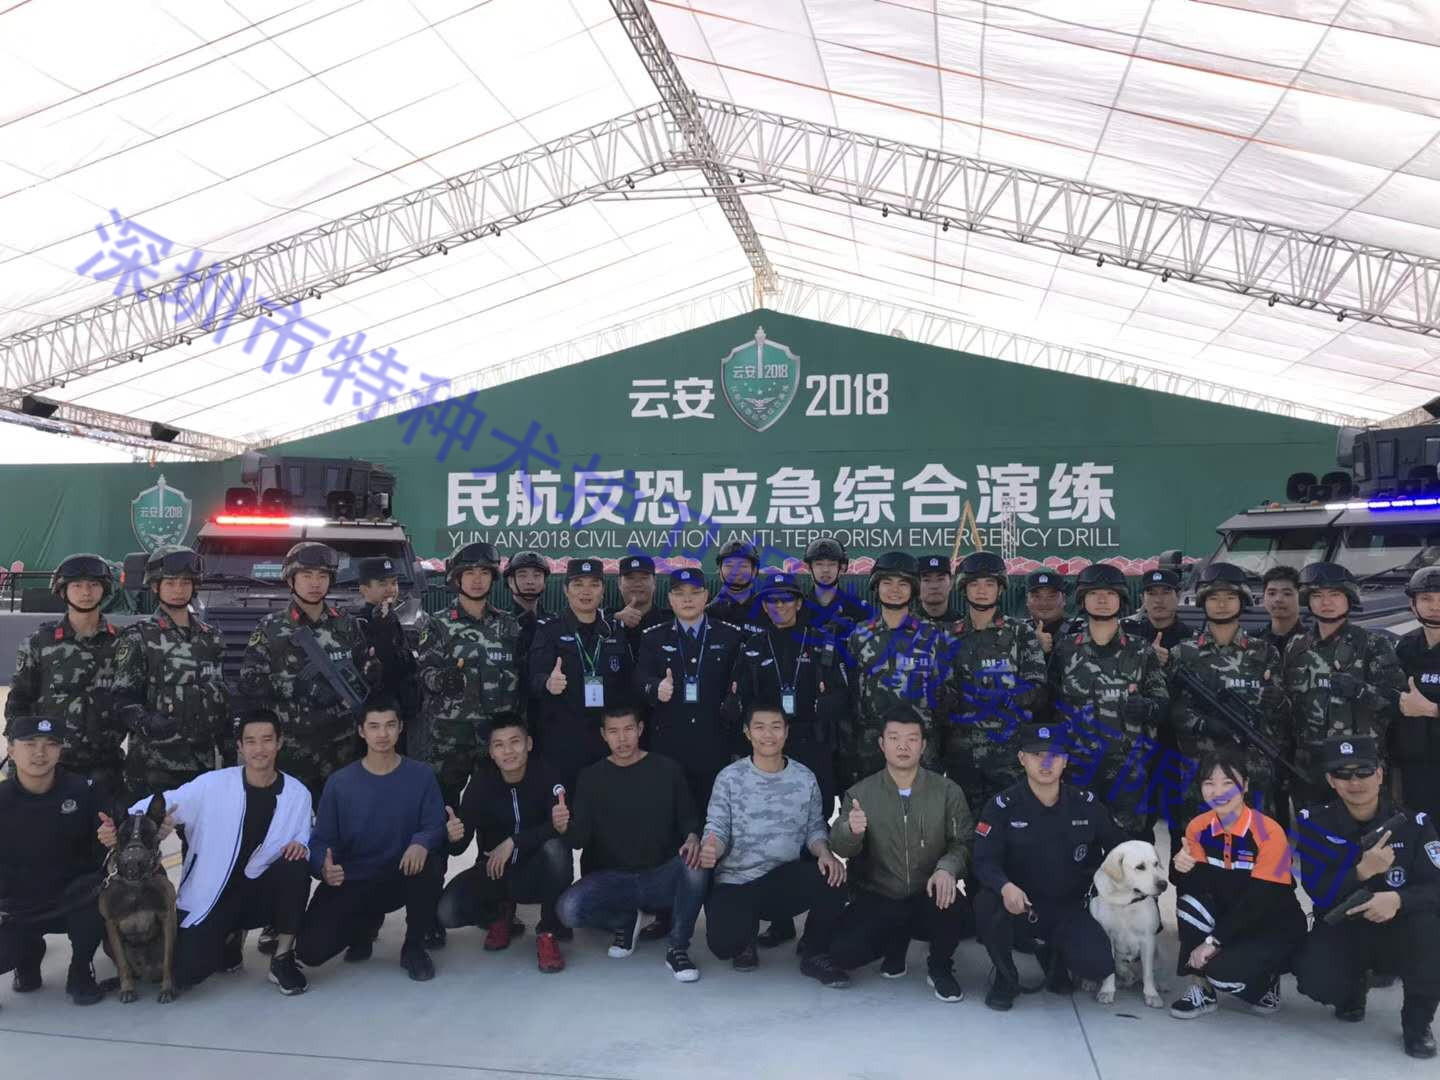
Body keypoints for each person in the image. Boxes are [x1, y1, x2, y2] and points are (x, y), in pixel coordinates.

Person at [102, 709, 312, 995]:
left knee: (296, 865)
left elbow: (303, 838)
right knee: (184, 974)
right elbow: (165, 803)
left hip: (260, 893)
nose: (259, 749)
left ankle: (283, 957)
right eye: (251, 741)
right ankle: (229, 939)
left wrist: (301, 846)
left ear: (279, 742)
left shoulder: (297, 794)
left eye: (267, 740)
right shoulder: (213, 785)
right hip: (213, 896)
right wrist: (121, 825)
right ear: (240, 747)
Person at [1292, 735, 1440, 1059]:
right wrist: (1361, 872)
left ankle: (1417, 1025)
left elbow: (1435, 887)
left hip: (1400, 926)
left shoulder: (1413, 824)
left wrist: (1399, 901)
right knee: (1315, 979)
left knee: (1431, 932)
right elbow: (1316, 890)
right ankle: (1352, 991)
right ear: (1331, 780)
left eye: (1363, 772)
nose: (1355, 782)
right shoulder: (1315, 824)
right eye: (1343, 774)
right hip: (1346, 924)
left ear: (1380, 774)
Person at [730, 569, 850, 949]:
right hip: (770, 749)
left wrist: (830, 702)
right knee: (773, 831)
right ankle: (780, 921)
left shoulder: (822, 642)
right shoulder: (753, 646)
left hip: (814, 748)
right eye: (771, 600)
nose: (778, 606)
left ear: (799, 602)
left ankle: (816, 926)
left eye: (785, 599)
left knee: (815, 831)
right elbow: (739, 699)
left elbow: (845, 694)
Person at [972, 721, 1125, 1011]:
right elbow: (983, 859)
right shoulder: (1003, 806)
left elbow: (1120, 848)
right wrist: (1005, 887)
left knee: (1097, 965)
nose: (1046, 763)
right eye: (1037, 755)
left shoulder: (1085, 805)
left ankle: (1053, 960)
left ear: (1065, 761)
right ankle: (1006, 977)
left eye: (1054, 756)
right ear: (1022, 759)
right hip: (1019, 905)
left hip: (1068, 907)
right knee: (986, 903)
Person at [298, 693, 446, 982]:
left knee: (430, 862)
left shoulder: (421, 776)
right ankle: (363, 926)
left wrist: (421, 842)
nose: (382, 734)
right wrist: (324, 867)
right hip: (354, 878)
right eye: (374, 726)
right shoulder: (340, 783)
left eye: (390, 725)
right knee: (310, 951)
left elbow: (434, 824)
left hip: (401, 874)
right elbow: (321, 840)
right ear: (361, 731)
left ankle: (414, 948)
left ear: (400, 728)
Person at [555, 707, 708, 983]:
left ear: (640, 729)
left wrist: (692, 837)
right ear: (603, 735)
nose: (622, 739)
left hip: (660, 876)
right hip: (612, 879)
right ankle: (625, 920)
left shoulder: (667, 769)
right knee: (568, 909)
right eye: (613, 732)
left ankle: (677, 948)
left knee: (697, 863)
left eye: (628, 729)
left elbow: (689, 819)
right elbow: (579, 840)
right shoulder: (590, 777)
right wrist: (564, 827)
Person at [827, 709, 973, 1001]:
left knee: (955, 906)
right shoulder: (861, 793)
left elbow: (963, 842)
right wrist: (850, 831)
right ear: (882, 744)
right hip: (880, 895)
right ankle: (896, 945)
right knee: (843, 954)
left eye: (912, 739)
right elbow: (841, 849)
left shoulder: (947, 791)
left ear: (923, 745)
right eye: (894, 738)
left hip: (927, 892)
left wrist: (947, 868)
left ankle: (939, 966)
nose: (903, 746)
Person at [700, 705, 849, 986]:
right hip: (737, 881)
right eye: (759, 727)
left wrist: (825, 853)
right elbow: (716, 829)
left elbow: (815, 828)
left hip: (782, 880)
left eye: (776, 727)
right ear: (747, 733)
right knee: (724, 945)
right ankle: (745, 938)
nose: (768, 734)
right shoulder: (729, 777)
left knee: (834, 876)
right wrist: (711, 849)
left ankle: (815, 952)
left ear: (786, 731)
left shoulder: (804, 778)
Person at [1167, 749, 1305, 1019]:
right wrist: (1182, 867)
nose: (1218, 791)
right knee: (1189, 903)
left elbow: (1261, 899)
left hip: (1270, 923)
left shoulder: (1269, 832)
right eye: (1209, 783)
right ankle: (1200, 988)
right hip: (1229, 915)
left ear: (1246, 785)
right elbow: (1196, 888)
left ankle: (1267, 981)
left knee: (1224, 975)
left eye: (1228, 782)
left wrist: (1214, 941)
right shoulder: (1198, 827)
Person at [239, 542, 379, 806]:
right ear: (291, 580)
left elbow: (364, 677)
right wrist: (298, 687)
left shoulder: (346, 625)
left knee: (341, 817)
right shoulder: (271, 628)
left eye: (322, 576)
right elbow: (250, 682)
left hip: (341, 745)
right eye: (306, 576)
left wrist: (372, 673)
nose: (315, 583)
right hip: (292, 747)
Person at [437, 714, 571, 974]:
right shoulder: (482, 782)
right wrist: (453, 836)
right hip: (495, 872)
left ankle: (548, 932)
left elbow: (559, 828)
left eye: (515, 742)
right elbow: (460, 845)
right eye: (499, 745)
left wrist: (514, 842)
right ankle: (500, 913)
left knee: (556, 849)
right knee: (447, 912)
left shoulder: (547, 774)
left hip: (535, 874)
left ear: (528, 744)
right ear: (491, 752)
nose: (508, 751)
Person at [1166, 562, 1290, 838]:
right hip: (1201, 771)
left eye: (1230, 597)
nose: (1222, 604)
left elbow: (1281, 715)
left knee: (1257, 844)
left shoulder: (1264, 652)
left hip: (1252, 769)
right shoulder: (1182, 653)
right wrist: (1202, 724)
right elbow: (1171, 709)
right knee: (1201, 845)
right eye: (1214, 598)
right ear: (1203, 602)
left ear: (1242, 601)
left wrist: (1277, 701)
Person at [1049, 562, 1168, 838]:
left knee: (1130, 847)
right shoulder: (1065, 649)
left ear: (1121, 599)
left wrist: (1146, 707)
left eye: (1110, 594)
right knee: (1077, 844)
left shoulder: (1141, 651)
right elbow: (1049, 703)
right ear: (1082, 600)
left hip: (1128, 771)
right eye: (1094, 593)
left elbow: (1162, 703)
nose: (1102, 600)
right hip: (1078, 768)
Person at [0, 715, 107, 1008]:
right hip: (17, 906)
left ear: (60, 751)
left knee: (100, 899)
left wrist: (111, 839)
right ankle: (27, 955)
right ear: (11, 751)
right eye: (30, 744)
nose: (40, 752)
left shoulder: (84, 790)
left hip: (72, 901)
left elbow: (106, 848)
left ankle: (81, 969)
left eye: (50, 744)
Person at [112, 545, 230, 799]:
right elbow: (122, 699)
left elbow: (220, 696)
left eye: (185, 582)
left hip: (202, 766)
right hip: (152, 767)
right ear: (155, 586)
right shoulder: (139, 637)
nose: (179, 590)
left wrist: (229, 749)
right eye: (171, 583)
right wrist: (145, 722)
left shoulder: (211, 638)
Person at [1282, 562, 1404, 808]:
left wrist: (1360, 690)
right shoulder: (1296, 646)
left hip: (1359, 767)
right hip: (1308, 767)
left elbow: (1396, 702)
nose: (1326, 602)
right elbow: (1289, 706)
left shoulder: (1373, 644)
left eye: (1335, 594)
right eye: (1317, 595)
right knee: (1313, 830)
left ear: (1349, 598)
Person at [4, 553, 124, 802]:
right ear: (63, 590)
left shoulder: (123, 642)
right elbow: (19, 702)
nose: (86, 592)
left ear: (104, 589)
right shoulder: (40, 642)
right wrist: (19, 757)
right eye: (77, 585)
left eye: (93, 584)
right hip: (51, 767)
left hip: (106, 767)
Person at [940, 551, 1048, 818]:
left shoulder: (1020, 632)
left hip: (1008, 755)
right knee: (964, 828)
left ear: (1000, 589)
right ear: (963, 588)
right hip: (962, 755)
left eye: (989, 584)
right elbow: (941, 687)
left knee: (1013, 825)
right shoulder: (947, 635)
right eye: (975, 584)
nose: (982, 590)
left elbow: (1037, 686)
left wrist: (1007, 697)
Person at [414, 542, 522, 809]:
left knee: (496, 813)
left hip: (496, 739)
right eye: (470, 573)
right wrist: (441, 679)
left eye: (484, 573)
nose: (477, 580)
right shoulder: (437, 624)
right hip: (449, 738)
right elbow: (423, 673)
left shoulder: (508, 625)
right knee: (442, 813)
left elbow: (521, 676)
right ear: (457, 578)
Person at [635, 566, 746, 815]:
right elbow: (639, 679)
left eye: (695, 593)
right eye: (680, 593)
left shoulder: (730, 636)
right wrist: (655, 688)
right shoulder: (653, 637)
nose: (687, 599)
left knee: (714, 817)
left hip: (715, 745)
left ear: (706, 596)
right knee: (670, 816)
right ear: (670, 599)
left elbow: (740, 685)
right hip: (669, 746)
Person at [529, 558, 635, 793]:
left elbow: (628, 685)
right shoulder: (549, 630)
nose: (586, 591)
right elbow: (533, 679)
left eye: (594, 584)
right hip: (563, 741)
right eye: (578, 584)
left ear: (603, 590)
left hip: (607, 743)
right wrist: (548, 683)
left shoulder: (614, 630)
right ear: (566, 590)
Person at [840, 552, 943, 788]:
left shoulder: (933, 634)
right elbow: (852, 691)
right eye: (887, 582)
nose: (894, 590)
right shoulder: (860, 635)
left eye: (903, 584)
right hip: (871, 746)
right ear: (876, 587)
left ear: (913, 589)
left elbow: (945, 690)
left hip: (920, 747)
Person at [351, 555, 421, 750]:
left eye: (394, 582)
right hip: (376, 714)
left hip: (400, 708)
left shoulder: (392, 616)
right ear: (364, 589)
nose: (391, 589)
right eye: (382, 584)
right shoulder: (359, 622)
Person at [1392, 566, 1440, 820]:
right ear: (1413, 605)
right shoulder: (1405, 646)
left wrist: (1432, 709)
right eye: (1426, 598)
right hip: (1413, 766)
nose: (1435, 606)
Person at [504, 549, 552, 725]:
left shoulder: (556, 624)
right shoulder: (498, 624)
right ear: (510, 581)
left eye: (537, 575)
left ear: (544, 581)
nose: (530, 581)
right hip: (509, 715)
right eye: (522, 575)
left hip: (547, 715)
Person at [1121, 567, 1193, 668]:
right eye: (1152, 593)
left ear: (1178, 596)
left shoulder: (1191, 638)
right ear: (1142, 599)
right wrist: (1143, 658)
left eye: (1166, 592)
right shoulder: (1128, 634)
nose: (1158, 600)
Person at [802, 536, 868, 643]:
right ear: (809, 568)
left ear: (841, 568)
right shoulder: (798, 609)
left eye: (832, 564)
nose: (825, 570)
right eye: (819, 564)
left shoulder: (858, 609)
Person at [608, 554, 668, 661]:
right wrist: (616, 620)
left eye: (644, 578)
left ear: (654, 582)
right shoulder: (606, 620)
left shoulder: (669, 622)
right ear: (619, 583)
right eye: (630, 578)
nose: (637, 584)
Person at [707, 539, 771, 637]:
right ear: (720, 570)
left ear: (754, 570)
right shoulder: (707, 613)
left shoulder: (769, 611)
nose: (735, 571)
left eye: (743, 565)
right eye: (729, 565)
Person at [1256, 565, 1307, 659]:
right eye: (1272, 593)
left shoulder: (1314, 643)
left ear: (1300, 597)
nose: (1278, 599)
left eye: (1287, 594)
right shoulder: (1253, 643)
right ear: (1263, 597)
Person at [1024, 569, 1070, 655]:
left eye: (1051, 596)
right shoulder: (1017, 632)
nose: (1044, 603)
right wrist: (1032, 646)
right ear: (1027, 600)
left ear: (1063, 599)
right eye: (1037, 597)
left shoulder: (1079, 630)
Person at [916, 554, 961, 628]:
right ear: (917, 584)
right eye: (926, 580)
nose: (934, 586)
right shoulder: (907, 625)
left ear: (951, 582)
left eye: (940, 579)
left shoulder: (962, 625)